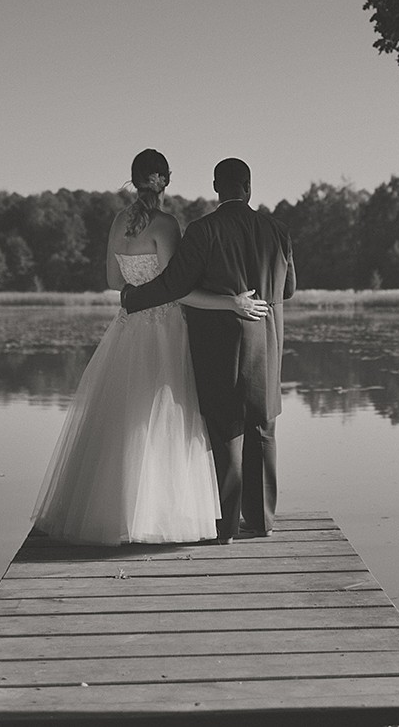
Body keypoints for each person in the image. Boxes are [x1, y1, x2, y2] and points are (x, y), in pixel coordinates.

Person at [31, 149, 269, 545]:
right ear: (166, 180)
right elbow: (177, 289)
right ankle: (160, 514)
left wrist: (136, 288)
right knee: (165, 421)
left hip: (129, 328)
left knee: (123, 418)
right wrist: (232, 303)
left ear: (135, 178)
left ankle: (112, 512)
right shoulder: (166, 225)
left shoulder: (118, 222)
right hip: (167, 329)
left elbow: (113, 281)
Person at [122, 158, 295, 544]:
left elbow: (175, 284)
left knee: (226, 432)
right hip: (267, 346)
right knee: (263, 431)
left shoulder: (204, 230)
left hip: (221, 348)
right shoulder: (278, 231)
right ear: (248, 187)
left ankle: (226, 527)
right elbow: (288, 289)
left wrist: (133, 298)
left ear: (217, 188)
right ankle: (262, 521)